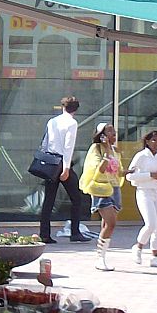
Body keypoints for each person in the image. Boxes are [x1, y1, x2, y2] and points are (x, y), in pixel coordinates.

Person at [38, 96, 90, 244]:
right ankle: (75, 232)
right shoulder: (72, 123)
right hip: (62, 162)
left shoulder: (52, 121)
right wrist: (66, 168)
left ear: (62, 107)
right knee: (76, 198)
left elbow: (45, 142)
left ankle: (44, 234)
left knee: (49, 199)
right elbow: (68, 146)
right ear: (76, 109)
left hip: (50, 160)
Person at [79, 122, 124, 271]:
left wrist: (129, 172)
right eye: (110, 132)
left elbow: (118, 171)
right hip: (101, 189)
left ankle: (102, 256)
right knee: (111, 223)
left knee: (106, 224)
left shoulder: (115, 150)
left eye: (114, 132)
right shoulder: (96, 149)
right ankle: (100, 257)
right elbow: (98, 170)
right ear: (102, 135)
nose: (114, 135)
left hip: (115, 188)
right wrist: (105, 155)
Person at [126, 130, 157, 269]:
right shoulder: (141, 156)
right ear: (148, 141)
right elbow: (129, 176)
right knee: (151, 224)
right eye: (154, 140)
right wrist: (150, 175)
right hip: (144, 192)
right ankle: (138, 247)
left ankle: (155, 257)